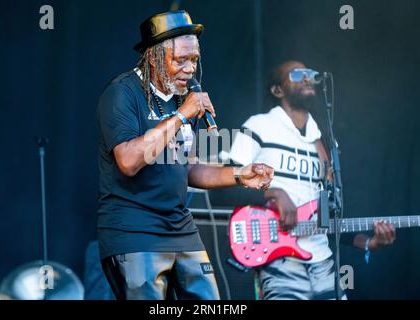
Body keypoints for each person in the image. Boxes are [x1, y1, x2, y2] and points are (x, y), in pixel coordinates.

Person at [96, 10, 274, 300]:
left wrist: (241, 175)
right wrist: (182, 115)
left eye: (194, 60)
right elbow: (128, 161)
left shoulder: (181, 100)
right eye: (181, 60)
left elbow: (190, 168)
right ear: (154, 58)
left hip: (180, 227)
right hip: (134, 230)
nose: (191, 69)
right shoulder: (122, 93)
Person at [229, 60, 396, 300]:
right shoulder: (258, 126)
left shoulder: (325, 142)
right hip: (278, 259)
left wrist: (371, 243)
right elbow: (223, 185)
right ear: (277, 90)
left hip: (323, 260)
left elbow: (328, 219)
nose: (307, 77)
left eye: (309, 74)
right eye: (297, 74)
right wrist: (274, 192)